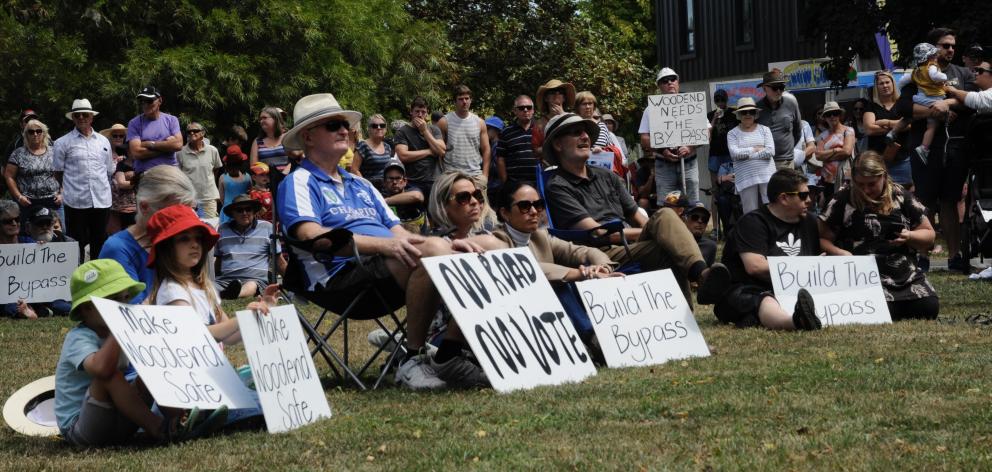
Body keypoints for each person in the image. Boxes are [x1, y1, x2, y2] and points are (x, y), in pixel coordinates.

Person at [277, 93, 504, 390]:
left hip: (392, 268)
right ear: (307, 137)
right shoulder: (299, 181)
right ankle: (412, 358)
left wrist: (451, 243)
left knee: (493, 245)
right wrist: (390, 246)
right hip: (340, 278)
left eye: (345, 124)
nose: (345, 130)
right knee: (435, 249)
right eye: (334, 125)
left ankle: (451, 351)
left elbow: (400, 234)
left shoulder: (361, 184)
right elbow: (311, 236)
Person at [543, 113, 729, 305]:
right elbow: (598, 233)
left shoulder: (607, 176)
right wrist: (663, 232)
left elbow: (639, 218)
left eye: (585, 132)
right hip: (599, 252)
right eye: (576, 133)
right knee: (666, 241)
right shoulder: (558, 185)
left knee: (667, 220)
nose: (585, 137)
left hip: (629, 243)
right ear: (558, 144)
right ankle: (697, 286)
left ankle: (701, 277)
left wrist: (662, 231)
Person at [55, 259, 230, 446]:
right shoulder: (79, 338)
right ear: (87, 308)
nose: (123, 305)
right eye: (114, 300)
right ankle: (159, 429)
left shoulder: (121, 330)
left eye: (126, 298)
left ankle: (183, 419)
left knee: (152, 368)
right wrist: (119, 329)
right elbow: (101, 369)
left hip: (120, 422)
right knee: (108, 377)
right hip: (81, 429)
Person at [818, 152, 939, 320]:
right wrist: (841, 254)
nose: (866, 190)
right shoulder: (843, 198)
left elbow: (929, 235)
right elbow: (822, 238)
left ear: (883, 176)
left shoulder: (901, 196)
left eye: (871, 184)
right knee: (883, 309)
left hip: (904, 273)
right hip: (862, 275)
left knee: (928, 307)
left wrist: (910, 236)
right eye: (860, 184)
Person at [897, 27, 976, 273]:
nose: (951, 49)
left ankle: (955, 257)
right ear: (932, 48)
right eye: (945, 45)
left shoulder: (962, 73)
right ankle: (922, 257)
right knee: (925, 202)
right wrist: (935, 110)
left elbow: (973, 99)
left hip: (955, 147)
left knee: (951, 202)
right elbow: (903, 107)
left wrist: (947, 102)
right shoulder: (917, 74)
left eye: (953, 45)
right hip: (924, 148)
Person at [146, 203, 279, 344]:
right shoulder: (173, 291)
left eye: (198, 238)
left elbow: (229, 338)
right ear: (166, 248)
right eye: (184, 239)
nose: (195, 244)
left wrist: (263, 310)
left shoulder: (203, 287)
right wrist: (241, 318)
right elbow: (196, 333)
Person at [711, 168, 822, 331]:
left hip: (791, 289)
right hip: (746, 289)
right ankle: (796, 322)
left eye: (810, 193)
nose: (809, 200)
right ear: (784, 198)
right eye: (803, 195)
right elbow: (755, 267)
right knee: (765, 299)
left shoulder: (810, 222)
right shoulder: (753, 222)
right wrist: (807, 265)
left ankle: (758, 318)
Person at [99, 165, 198, 303]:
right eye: (174, 212)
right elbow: (132, 315)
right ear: (145, 207)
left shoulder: (185, 242)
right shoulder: (119, 249)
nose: (185, 218)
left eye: (189, 210)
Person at [52, 98, 115, 263]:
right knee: (75, 243)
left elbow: (108, 170)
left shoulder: (104, 141)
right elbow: (58, 173)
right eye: (77, 115)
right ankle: (76, 279)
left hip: (101, 200)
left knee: (100, 242)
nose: (81, 118)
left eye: (84, 115)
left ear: (91, 117)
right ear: (72, 118)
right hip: (76, 201)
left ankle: (98, 279)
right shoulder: (62, 143)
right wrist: (68, 190)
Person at [638, 67, 703, 202]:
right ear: (659, 86)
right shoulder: (650, 109)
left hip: (689, 163)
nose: (669, 83)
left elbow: (706, 131)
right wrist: (663, 150)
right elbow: (644, 138)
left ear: (678, 82)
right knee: (667, 206)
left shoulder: (692, 103)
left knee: (692, 204)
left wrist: (690, 147)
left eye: (672, 79)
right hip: (664, 165)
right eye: (664, 81)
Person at [888, 43, 952, 161]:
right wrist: (944, 77)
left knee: (908, 118)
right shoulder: (931, 67)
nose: (936, 56)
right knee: (932, 126)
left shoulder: (916, 71)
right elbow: (935, 76)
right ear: (929, 57)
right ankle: (924, 147)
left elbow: (903, 80)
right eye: (934, 54)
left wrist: (900, 88)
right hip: (933, 99)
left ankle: (893, 132)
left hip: (919, 98)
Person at [214, 195, 273, 300]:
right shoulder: (223, 229)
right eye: (239, 210)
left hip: (254, 279)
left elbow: (279, 260)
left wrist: (291, 284)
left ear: (254, 211)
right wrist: (215, 277)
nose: (244, 213)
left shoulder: (267, 227)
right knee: (207, 288)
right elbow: (219, 259)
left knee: (251, 285)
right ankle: (223, 292)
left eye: (248, 209)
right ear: (233, 214)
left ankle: (234, 294)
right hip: (226, 279)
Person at [5, 118, 61, 226]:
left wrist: (62, 194)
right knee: (28, 233)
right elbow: (9, 176)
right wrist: (19, 197)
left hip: (53, 201)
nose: (35, 134)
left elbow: (63, 173)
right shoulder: (18, 153)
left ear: (44, 133)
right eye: (31, 132)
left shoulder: (54, 151)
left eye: (38, 131)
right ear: (26, 135)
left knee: (58, 232)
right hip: (28, 202)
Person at [863, 70, 913, 188]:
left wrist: (886, 123)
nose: (885, 86)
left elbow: (911, 124)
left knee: (905, 195)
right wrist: (899, 127)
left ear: (893, 83)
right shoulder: (871, 106)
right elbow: (869, 129)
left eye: (887, 82)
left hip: (903, 160)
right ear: (876, 87)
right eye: (881, 83)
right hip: (878, 162)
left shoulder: (903, 103)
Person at [726, 97, 776, 214]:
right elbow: (734, 154)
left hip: (767, 175)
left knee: (771, 209)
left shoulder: (765, 130)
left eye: (751, 112)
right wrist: (755, 149)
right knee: (750, 212)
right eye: (744, 112)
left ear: (756, 114)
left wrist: (745, 153)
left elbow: (770, 152)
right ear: (739, 115)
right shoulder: (732, 133)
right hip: (745, 177)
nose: (748, 115)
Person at [394, 96, 446, 203]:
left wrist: (425, 132)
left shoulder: (434, 129)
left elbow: (441, 151)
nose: (420, 114)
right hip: (412, 181)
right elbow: (403, 156)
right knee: (417, 217)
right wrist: (429, 151)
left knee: (435, 216)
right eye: (417, 111)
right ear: (411, 112)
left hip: (434, 180)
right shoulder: (403, 131)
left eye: (423, 112)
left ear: (427, 114)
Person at [437, 85, 490, 186]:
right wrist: (442, 173)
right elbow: (438, 150)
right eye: (460, 99)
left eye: (467, 98)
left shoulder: (480, 122)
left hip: (475, 175)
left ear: (471, 100)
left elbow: (486, 149)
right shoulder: (444, 122)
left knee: (479, 202)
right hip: (451, 175)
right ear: (455, 101)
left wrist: (485, 175)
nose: (464, 102)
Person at [127, 86, 182, 175]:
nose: (145, 105)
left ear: (160, 101)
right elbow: (137, 153)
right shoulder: (134, 123)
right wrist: (167, 147)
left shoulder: (172, 120)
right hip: (146, 175)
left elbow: (178, 145)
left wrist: (149, 144)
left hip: (170, 174)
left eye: (149, 101)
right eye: (142, 101)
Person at [756, 68, 804, 170]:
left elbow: (798, 131)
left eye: (781, 87)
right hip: (765, 163)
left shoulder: (791, 103)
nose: (778, 91)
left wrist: (787, 150)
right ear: (764, 88)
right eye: (774, 88)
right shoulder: (757, 108)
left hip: (787, 161)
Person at [427, 171, 496, 239]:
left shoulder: (486, 236)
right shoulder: (432, 244)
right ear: (443, 206)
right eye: (463, 197)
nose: (474, 201)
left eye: (476, 195)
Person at [177, 122, 222, 218]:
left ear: (202, 133)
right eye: (189, 131)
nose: (192, 133)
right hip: (189, 199)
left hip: (208, 198)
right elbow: (178, 176)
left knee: (210, 226)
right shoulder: (180, 153)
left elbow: (216, 170)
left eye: (195, 131)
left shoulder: (212, 150)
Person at [707, 89, 738, 230]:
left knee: (732, 188)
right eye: (717, 100)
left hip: (731, 155)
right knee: (715, 190)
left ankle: (733, 223)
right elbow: (706, 136)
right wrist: (714, 119)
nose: (720, 103)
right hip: (715, 155)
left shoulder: (733, 113)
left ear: (727, 100)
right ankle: (715, 228)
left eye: (722, 100)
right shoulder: (710, 115)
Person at [814, 101, 856, 203]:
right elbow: (818, 156)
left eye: (835, 113)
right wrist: (836, 150)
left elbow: (847, 151)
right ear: (824, 117)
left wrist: (827, 155)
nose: (832, 116)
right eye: (829, 114)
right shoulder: (822, 135)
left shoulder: (848, 130)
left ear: (839, 115)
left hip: (845, 177)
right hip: (827, 180)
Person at [495, 95, 540, 185]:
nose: (526, 110)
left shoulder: (541, 129)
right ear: (515, 111)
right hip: (514, 184)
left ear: (533, 110)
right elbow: (500, 159)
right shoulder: (506, 132)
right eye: (521, 108)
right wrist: (505, 183)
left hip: (539, 182)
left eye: (529, 107)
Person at [379, 159, 427, 234]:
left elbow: (417, 196)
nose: (394, 182)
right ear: (384, 182)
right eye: (390, 179)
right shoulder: (379, 196)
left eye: (398, 178)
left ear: (405, 181)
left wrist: (385, 201)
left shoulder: (413, 190)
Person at [351, 114, 393, 188]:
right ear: (369, 129)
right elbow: (354, 170)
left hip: (387, 187)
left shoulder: (387, 147)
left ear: (386, 128)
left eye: (382, 125)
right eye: (375, 126)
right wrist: (366, 186)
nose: (379, 128)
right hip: (369, 187)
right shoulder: (363, 146)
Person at [218, 145, 251, 224]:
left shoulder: (223, 178)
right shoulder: (247, 177)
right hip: (244, 211)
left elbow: (221, 198)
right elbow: (251, 194)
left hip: (227, 211)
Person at [683, 202, 717, 266]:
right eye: (695, 217)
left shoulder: (710, 246)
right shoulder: (675, 243)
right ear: (685, 219)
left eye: (704, 219)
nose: (700, 221)